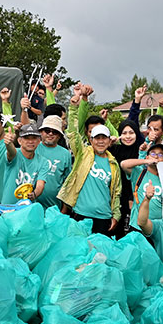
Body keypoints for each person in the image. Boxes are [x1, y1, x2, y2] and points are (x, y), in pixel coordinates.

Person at [58, 85, 122, 234]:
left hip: (104, 218)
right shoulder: (83, 153)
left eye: (103, 138)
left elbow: (116, 192)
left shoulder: (113, 164)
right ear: (90, 139)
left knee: (99, 255)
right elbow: (73, 134)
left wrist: (116, 215)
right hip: (81, 214)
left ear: (109, 140)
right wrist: (73, 108)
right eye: (96, 138)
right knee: (79, 253)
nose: (100, 142)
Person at [121, 143, 163, 230]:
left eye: (160, 155)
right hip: (137, 225)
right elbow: (124, 164)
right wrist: (146, 161)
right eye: (153, 153)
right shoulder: (139, 172)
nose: (156, 157)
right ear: (147, 157)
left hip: (157, 228)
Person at [33, 115, 72, 209]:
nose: (50, 134)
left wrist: (64, 210)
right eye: (47, 130)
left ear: (59, 135)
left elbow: (67, 184)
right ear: (41, 132)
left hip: (54, 208)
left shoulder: (65, 154)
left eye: (54, 132)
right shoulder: (33, 147)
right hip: (30, 206)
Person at [9, 122, 44, 201]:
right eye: (27, 138)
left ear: (39, 141)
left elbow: (40, 185)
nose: (30, 141)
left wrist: (34, 194)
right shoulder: (14, 154)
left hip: (27, 208)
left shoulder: (43, 161)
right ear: (19, 141)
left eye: (34, 138)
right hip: (7, 207)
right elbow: (10, 152)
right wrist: (8, 144)